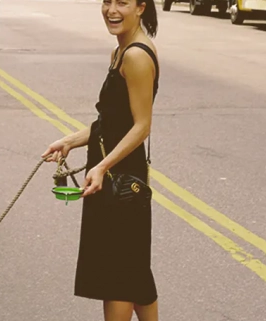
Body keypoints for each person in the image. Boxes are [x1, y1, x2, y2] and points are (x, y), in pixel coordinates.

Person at [41, 0, 160, 319]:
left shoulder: (135, 55)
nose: (112, 10)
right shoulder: (120, 52)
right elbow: (110, 122)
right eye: (107, 1)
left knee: (118, 278)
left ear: (141, 7)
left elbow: (142, 125)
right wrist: (70, 141)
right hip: (114, 175)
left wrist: (102, 165)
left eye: (122, 2)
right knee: (133, 270)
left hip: (120, 182)